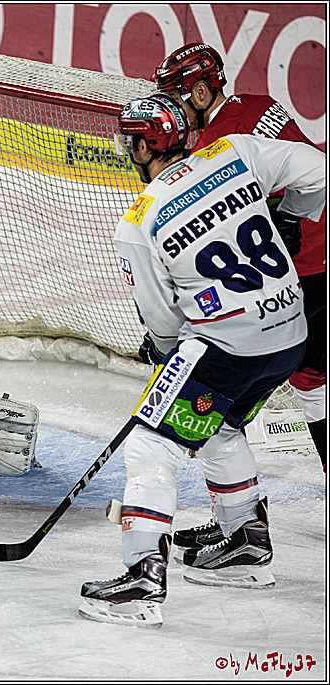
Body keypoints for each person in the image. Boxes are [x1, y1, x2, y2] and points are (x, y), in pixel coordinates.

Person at [78, 94, 325, 627]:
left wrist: (172, 358)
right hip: (290, 335)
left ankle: (141, 580)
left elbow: (165, 325)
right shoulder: (234, 152)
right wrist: (289, 219)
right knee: (221, 424)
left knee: (151, 442)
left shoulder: (139, 220)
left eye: (131, 140)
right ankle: (244, 546)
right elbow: (319, 171)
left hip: (228, 348)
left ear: (144, 145)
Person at [152, 42, 326, 469]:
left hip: (295, 271)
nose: (170, 108)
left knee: (228, 396)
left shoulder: (216, 145)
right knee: (313, 380)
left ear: (199, 92)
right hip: (319, 254)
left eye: (175, 95)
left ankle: (238, 511)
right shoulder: (258, 103)